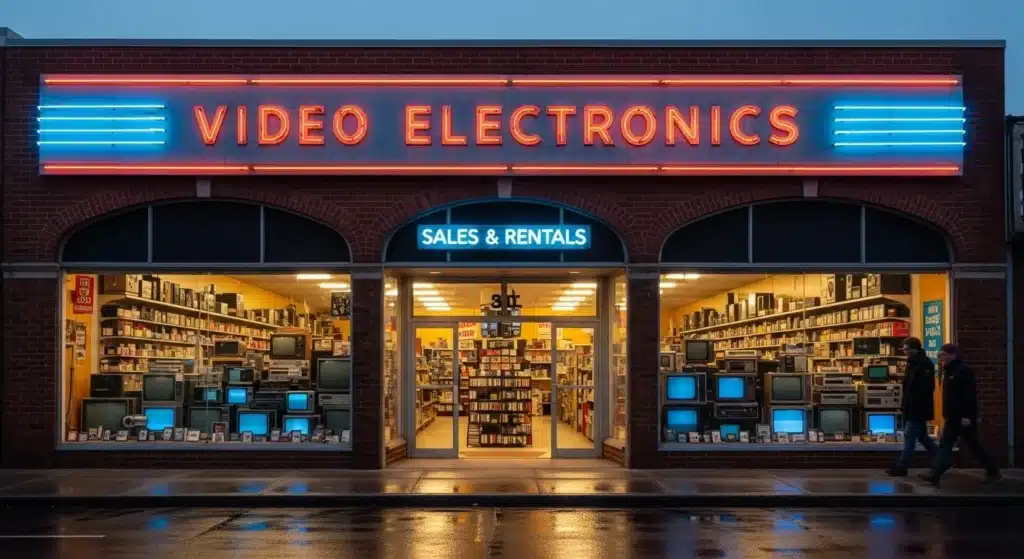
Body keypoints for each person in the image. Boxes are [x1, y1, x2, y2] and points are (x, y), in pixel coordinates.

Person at [920, 343, 1001, 487]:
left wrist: (967, 417)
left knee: (974, 445)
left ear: (953, 355)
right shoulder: (949, 371)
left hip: (962, 418)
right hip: (952, 417)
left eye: (943, 355)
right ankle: (935, 474)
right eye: (940, 355)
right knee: (945, 445)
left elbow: (968, 396)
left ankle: (993, 471)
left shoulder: (963, 371)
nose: (941, 357)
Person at [886, 337, 938, 476]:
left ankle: (902, 467)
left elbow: (928, 388)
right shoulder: (912, 363)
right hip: (911, 407)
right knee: (923, 438)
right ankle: (941, 459)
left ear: (914, 349)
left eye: (906, 349)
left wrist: (914, 404)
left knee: (909, 437)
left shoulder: (924, 364)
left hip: (918, 408)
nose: (904, 352)